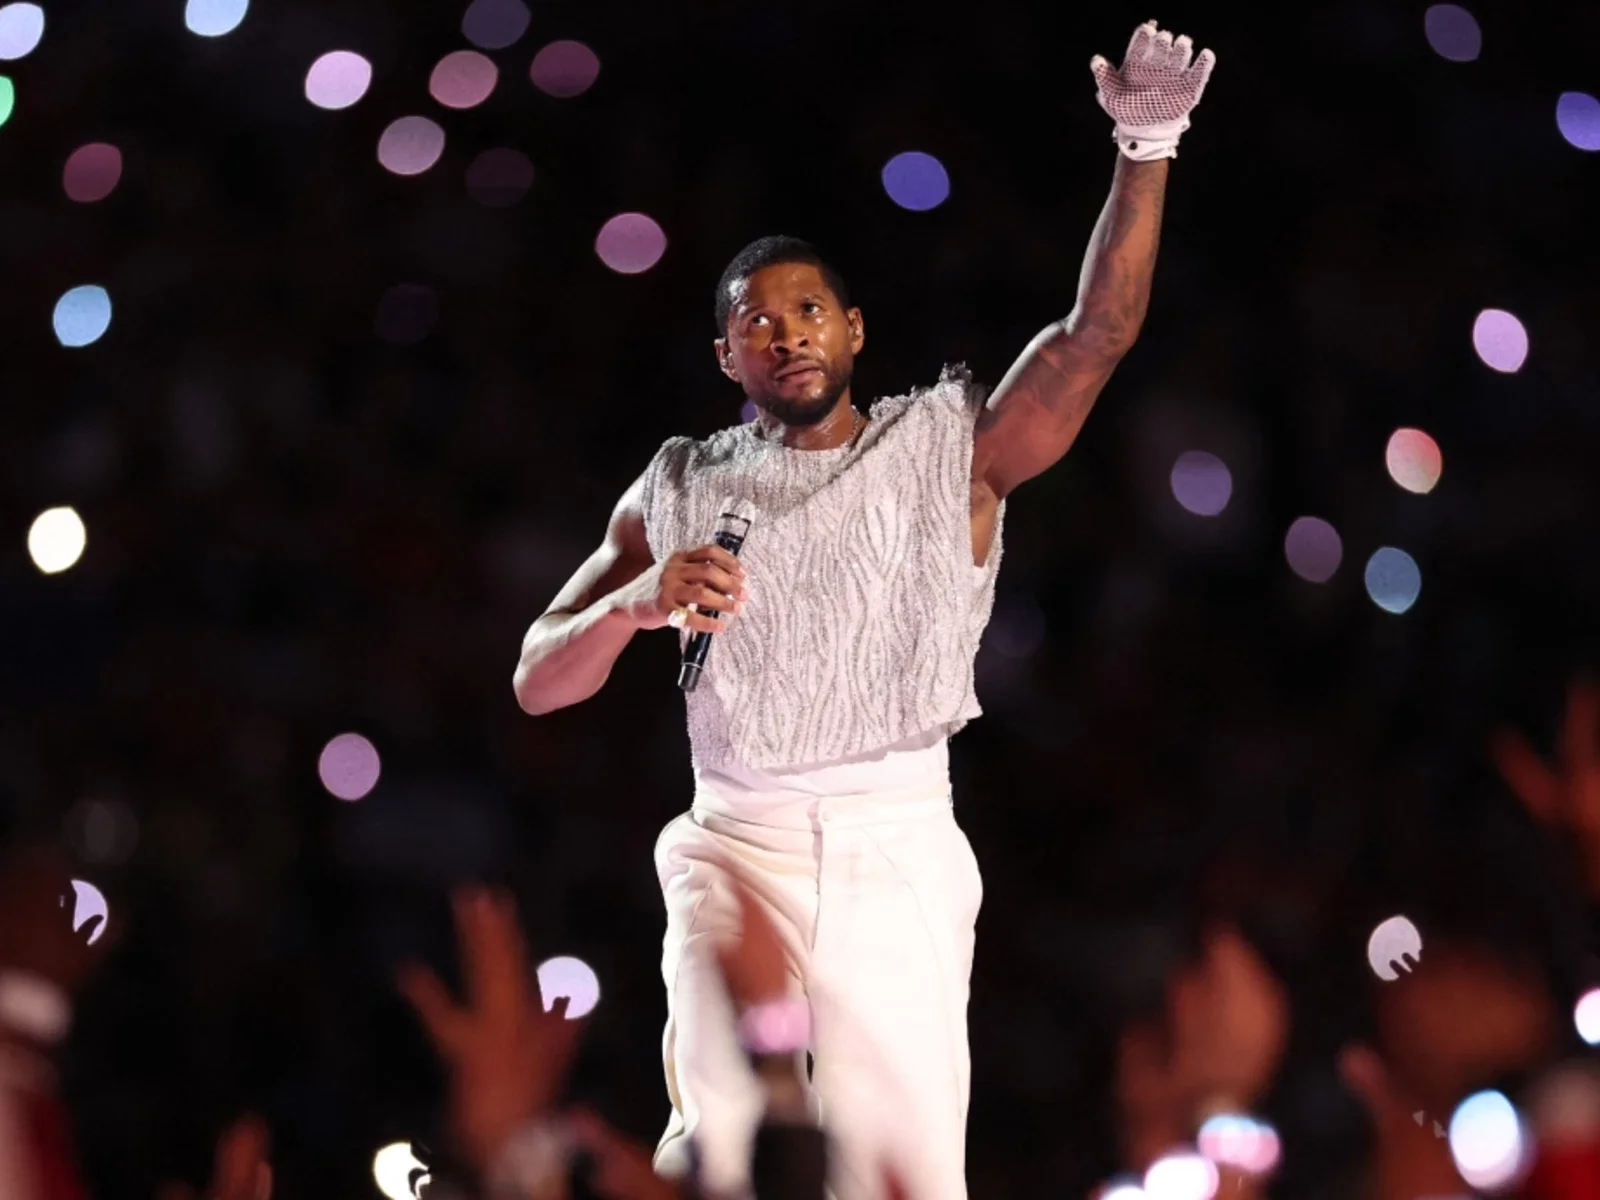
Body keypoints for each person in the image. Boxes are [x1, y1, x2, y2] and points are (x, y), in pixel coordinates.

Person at [512, 20, 1216, 1199]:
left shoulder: (948, 448)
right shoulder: (676, 483)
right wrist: (633, 603)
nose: (784, 331)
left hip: (895, 842)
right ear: (726, 355)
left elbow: (1096, 334)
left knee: (904, 1176)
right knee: (720, 1153)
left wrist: (1144, 148)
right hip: (735, 840)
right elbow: (538, 680)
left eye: (807, 310)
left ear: (853, 331)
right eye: (755, 319)